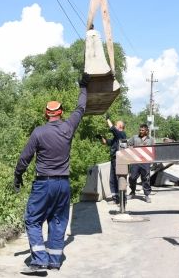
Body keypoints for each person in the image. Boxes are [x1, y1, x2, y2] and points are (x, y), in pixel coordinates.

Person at [13, 73, 90, 274]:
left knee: (33, 219)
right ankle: (54, 260)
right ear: (61, 112)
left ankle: (39, 260)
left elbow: (24, 158)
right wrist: (83, 86)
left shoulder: (39, 132)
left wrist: (18, 175)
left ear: (46, 113)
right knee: (58, 220)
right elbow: (81, 108)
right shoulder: (68, 127)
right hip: (63, 184)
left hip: (44, 184)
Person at [101, 116, 127, 203]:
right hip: (114, 159)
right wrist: (101, 138)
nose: (115, 126)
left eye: (116, 125)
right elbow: (108, 143)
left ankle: (122, 199)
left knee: (118, 179)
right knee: (112, 180)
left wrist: (107, 119)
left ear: (120, 126)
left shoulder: (121, 134)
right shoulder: (117, 137)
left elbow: (112, 129)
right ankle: (116, 198)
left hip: (118, 159)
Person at [127, 123, 155, 203]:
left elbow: (153, 150)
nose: (141, 131)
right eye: (140, 130)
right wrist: (132, 149)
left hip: (145, 162)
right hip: (135, 161)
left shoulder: (151, 139)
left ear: (146, 131)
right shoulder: (134, 137)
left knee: (145, 178)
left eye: (142, 130)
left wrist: (152, 161)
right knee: (132, 177)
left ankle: (147, 195)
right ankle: (132, 192)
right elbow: (128, 145)